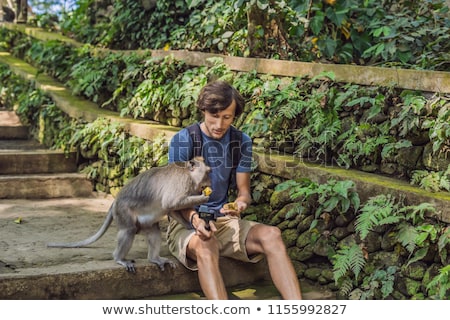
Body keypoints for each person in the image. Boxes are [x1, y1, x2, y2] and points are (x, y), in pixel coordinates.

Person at [167, 80, 302, 300]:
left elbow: (244, 192)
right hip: (186, 223)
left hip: (224, 221)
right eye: (214, 116)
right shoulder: (184, 140)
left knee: (272, 235)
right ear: (203, 110)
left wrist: (240, 203)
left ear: (234, 116)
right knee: (206, 243)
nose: (220, 124)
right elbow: (175, 199)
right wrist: (196, 221)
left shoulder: (240, 142)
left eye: (227, 117)